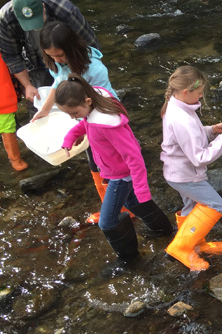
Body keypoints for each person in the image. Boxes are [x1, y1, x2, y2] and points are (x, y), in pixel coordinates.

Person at [57, 76, 173, 262]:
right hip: (114, 171)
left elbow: (134, 157)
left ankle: (130, 259)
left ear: (87, 101)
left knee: (107, 222)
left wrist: (142, 188)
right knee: (133, 203)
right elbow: (84, 124)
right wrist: (70, 137)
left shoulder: (108, 125)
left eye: (74, 112)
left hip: (121, 176)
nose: (73, 117)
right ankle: (165, 230)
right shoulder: (93, 109)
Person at [39, 21, 119, 224]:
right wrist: (45, 109)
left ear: (71, 48)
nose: (57, 60)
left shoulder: (94, 68)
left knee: (110, 163)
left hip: (104, 117)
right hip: (84, 115)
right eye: (52, 56)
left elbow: (101, 100)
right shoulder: (59, 62)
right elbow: (58, 83)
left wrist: (85, 127)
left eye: (60, 55)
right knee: (94, 163)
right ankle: (108, 206)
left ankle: (122, 208)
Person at [160, 66, 222, 272]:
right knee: (216, 205)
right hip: (186, 175)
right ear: (186, 91)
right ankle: (182, 247)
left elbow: (188, 138)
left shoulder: (178, 107)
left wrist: (211, 131)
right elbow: (200, 157)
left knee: (191, 208)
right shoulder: (181, 118)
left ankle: (195, 244)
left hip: (177, 171)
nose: (202, 95)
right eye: (200, 92)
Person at [0, 0, 99, 103]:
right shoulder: (5, 18)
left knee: (79, 99)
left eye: (37, 19)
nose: (34, 27)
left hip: (70, 59)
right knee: (38, 101)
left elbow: (89, 44)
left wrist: (85, 75)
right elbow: (12, 56)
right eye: (28, 24)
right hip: (35, 63)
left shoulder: (64, 9)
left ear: (43, 7)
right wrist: (27, 85)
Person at [0, 55, 27, 171]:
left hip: (3, 96)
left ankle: (15, 159)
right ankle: (15, 160)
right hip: (4, 96)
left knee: (8, 129)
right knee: (8, 128)